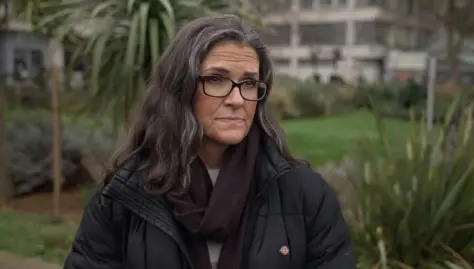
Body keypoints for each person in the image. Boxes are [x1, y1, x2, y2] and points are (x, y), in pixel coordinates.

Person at [63, 14, 356, 269]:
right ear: (181, 88)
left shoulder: (305, 196)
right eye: (217, 79)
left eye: (249, 83)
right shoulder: (124, 196)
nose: (237, 99)